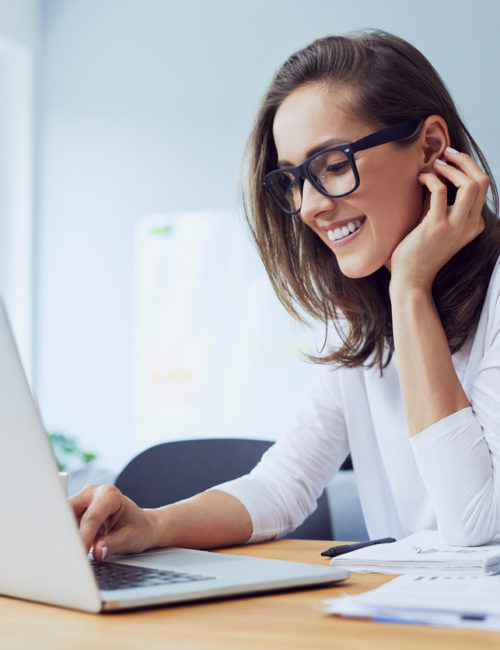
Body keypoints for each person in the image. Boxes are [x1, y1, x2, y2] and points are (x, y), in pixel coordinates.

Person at [71, 30, 500, 560]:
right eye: (294, 180)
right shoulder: (361, 319)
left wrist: (410, 287)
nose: (311, 206)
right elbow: (282, 485)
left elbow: (474, 522)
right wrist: (153, 525)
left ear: (431, 147)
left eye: (335, 166)